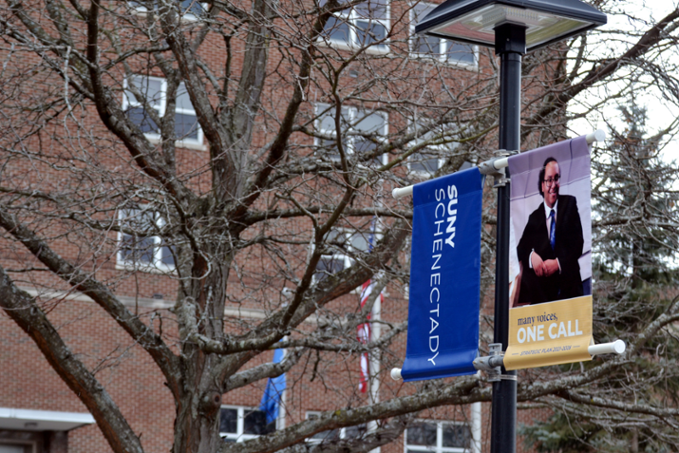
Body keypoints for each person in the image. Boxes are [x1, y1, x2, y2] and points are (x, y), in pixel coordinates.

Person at [516, 157, 584, 304]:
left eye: (556, 178)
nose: (553, 185)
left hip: (570, 293)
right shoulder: (534, 217)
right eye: (549, 180)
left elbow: (578, 243)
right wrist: (532, 256)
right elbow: (520, 249)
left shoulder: (570, 204)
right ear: (542, 185)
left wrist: (558, 263)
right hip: (544, 300)